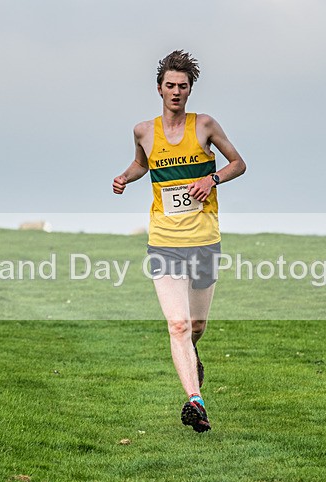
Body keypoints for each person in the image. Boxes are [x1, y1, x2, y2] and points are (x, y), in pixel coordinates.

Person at [112, 50, 246, 432]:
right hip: (164, 240)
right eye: (170, 85)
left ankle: (193, 353)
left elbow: (238, 162)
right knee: (177, 325)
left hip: (204, 239)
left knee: (197, 325)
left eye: (182, 87)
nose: (175, 92)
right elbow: (142, 162)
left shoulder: (204, 125)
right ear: (159, 88)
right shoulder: (144, 131)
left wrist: (212, 179)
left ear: (190, 90)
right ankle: (195, 401)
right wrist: (124, 176)